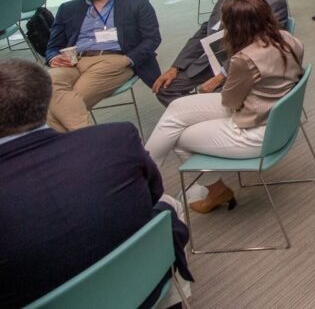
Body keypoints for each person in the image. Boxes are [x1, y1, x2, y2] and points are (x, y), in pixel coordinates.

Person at [0, 59, 192, 308]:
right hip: (144, 288)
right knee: (170, 205)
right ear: (48, 99)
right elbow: (154, 195)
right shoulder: (116, 138)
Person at [146, 0, 304, 214]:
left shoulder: (245, 58)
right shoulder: (288, 38)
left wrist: (208, 88)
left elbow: (230, 100)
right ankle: (143, 173)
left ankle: (213, 190)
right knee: (176, 108)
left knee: (179, 138)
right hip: (271, 111)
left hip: (257, 129)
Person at [44, 0, 161, 132]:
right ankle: (85, 146)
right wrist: (54, 57)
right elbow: (52, 45)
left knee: (72, 100)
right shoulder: (68, 8)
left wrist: (128, 60)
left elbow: (152, 39)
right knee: (44, 91)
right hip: (73, 61)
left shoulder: (136, 3)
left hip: (113, 60)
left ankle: (63, 146)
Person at [151, 0, 288, 106]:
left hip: (246, 67)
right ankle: (195, 118)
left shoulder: (273, 3)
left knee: (220, 101)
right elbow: (207, 29)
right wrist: (177, 66)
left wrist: (221, 76)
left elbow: (259, 49)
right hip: (215, 57)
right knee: (165, 89)